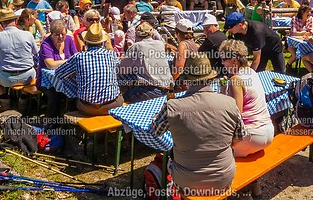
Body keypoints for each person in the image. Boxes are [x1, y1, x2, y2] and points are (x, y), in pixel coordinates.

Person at [151, 53, 244, 195]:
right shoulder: (229, 103)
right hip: (222, 179)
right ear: (211, 78)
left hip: (185, 181)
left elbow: (156, 131)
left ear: (186, 81)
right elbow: (239, 137)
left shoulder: (172, 106)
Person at [219, 40, 274, 157]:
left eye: (224, 60)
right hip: (268, 132)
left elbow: (235, 116)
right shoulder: (251, 72)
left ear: (234, 61)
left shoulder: (235, 80)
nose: (222, 63)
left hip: (252, 138)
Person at [55, 23, 123, 116]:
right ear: (102, 43)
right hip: (111, 105)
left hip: (86, 106)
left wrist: (75, 79)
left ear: (86, 42)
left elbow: (58, 74)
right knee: (121, 92)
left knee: (70, 88)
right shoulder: (111, 55)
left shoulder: (79, 57)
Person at [0, 10, 38, 112]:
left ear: (1, 23)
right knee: (34, 70)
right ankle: (23, 99)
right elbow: (35, 53)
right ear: (16, 20)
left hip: (7, 78)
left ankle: (4, 101)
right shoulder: (28, 35)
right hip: (28, 76)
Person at [117, 22, 172, 103]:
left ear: (138, 35)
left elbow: (122, 68)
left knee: (122, 97)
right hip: (167, 89)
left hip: (150, 91)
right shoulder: (160, 44)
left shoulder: (137, 46)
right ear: (151, 32)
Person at [38, 19, 78, 117]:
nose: (60, 37)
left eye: (62, 34)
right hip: (47, 81)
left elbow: (76, 56)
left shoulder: (68, 40)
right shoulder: (46, 44)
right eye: (57, 34)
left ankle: (72, 117)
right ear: (51, 34)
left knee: (79, 89)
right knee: (55, 94)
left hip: (68, 78)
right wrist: (69, 61)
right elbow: (50, 64)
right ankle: (52, 121)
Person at [286, 5, 313, 71]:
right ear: (302, 12)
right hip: (291, 42)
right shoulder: (295, 19)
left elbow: (311, 32)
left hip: (305, 42)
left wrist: (300, 32)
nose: (309, 13)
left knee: (310, 52)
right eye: (308, 12)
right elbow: (293, 32)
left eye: (310, 11)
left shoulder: (310, 19)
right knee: (295, 55)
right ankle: (288, 66)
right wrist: (304, 32)